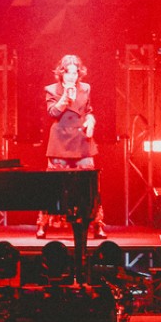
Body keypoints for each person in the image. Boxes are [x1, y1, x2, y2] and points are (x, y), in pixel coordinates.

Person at [38, 54, 105, 238]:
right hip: (60, 139)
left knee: (90, 183)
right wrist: (65, 98)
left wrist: (91, 121)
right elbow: (52, 112)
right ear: (62, 73)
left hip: (81, 139)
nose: (72, 76)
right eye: (68, 73)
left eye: (75, 73)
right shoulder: (52, 89)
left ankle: (97, 223)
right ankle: (43, 223)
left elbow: (88, 110)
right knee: (53, 184)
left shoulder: (85, 88)